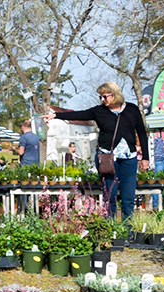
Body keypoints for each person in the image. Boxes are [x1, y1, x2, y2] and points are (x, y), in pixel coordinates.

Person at [42, 82, 149, 220]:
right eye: (100, 97)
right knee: (110, 197)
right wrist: (55, 115)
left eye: (105, 96)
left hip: (129, 158)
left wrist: (145, 157)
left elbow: (142, 133)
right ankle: (110, 230)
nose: (102, 99)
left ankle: (127, 231)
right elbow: (80, 115)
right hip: (107, 159)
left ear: (115, 95)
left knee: (128, 198)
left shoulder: (132, 110)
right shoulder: (99, 111)